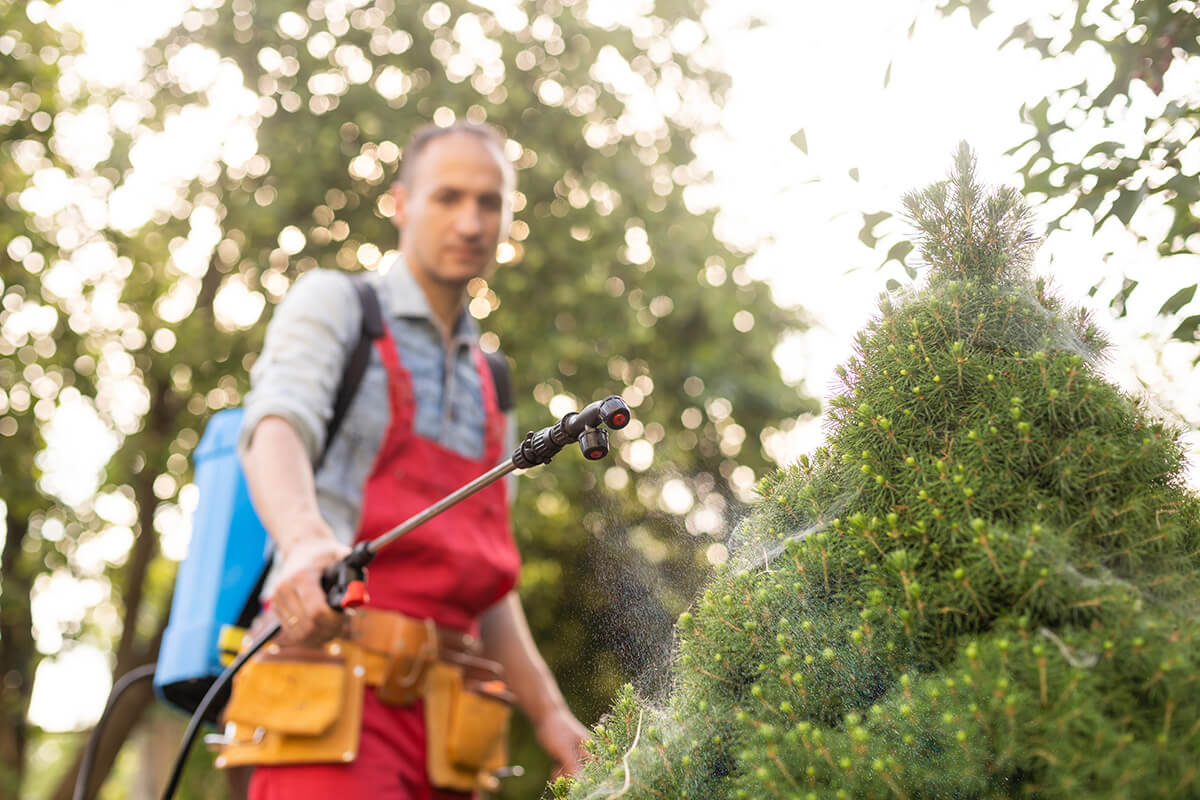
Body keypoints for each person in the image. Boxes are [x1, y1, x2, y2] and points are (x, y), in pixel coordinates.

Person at [233, 121, 587, 799]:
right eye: (448, 197)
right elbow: (275, 427)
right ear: (401, 203)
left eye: (490, 203)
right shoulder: (339, 306)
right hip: (331, 704)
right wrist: (307, 544)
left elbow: (490, 583)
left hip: (454, 734)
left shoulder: (496, 384)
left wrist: (550, 715)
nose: (471, 221)